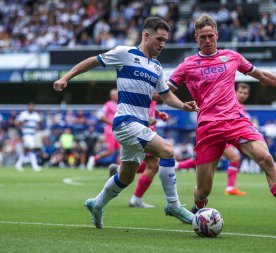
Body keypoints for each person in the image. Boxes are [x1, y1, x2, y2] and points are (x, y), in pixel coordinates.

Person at [167, 15, 276, 232]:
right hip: (208, 127)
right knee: (203, 191)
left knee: (266, 158)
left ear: (217, 35)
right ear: (196, 38)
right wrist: (179, 105)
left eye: (211, 36)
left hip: (235, 120)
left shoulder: (232, 57)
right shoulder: (188, 65)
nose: (207, 41)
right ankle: (199, 209)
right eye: (202, 38)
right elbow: (164, 91)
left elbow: (263, 76)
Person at [53, 17, 199, 229]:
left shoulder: (157, 67)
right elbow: (93, 61)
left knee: (127, 176)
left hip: (140, 126)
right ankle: (173, 205)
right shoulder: (125, 53)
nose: (162, 45)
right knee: (167, 150)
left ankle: (96, 204)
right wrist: (66, 77)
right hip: (125, 123)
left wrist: (183, 106)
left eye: (165, 41)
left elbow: (166, 96)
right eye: (159, 39)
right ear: (146, 36)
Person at [176, 82, 252, 196]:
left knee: (205, 162)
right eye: (240, 92)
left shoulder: (241, 107)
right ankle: (230, 188)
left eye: (245, 93)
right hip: (216, 134)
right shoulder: (228, 102)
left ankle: (176, 166)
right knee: (234, 158)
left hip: (224, 137)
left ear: (248, 95)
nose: (242, 95)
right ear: (235, 91)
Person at [108, 92, 170, 208]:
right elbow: (144, 100)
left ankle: (119, 171)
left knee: (146, 163)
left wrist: (157, 113)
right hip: (143, 127)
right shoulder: (147, 84)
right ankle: (136, 199)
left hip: (142, 126)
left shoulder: (145, 81)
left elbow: (150, 102)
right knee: (153, 164)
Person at [87, 89, 120, 170]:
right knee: (111, 151)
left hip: (119, 129)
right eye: (115, 94)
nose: (117, 96)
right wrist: (112, 123)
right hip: (110, 130)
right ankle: (94, 158)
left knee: (121, 150)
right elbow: (100, 116)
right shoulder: (108, 104)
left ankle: (119, 168)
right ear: (111, 96)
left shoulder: (120, 104)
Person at [15, 102, 42, 172]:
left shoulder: (35, 115)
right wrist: (23, 123)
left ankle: (18, 164)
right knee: (32, 148)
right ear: (28, 107)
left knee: (26, 150)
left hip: (32, 134)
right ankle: (35, 166)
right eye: (30, 106)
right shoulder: (24, 114)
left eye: (32, 106)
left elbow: (40, 122)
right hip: (26, 134)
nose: (31, 108)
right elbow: (17, 123)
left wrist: (37, 126)